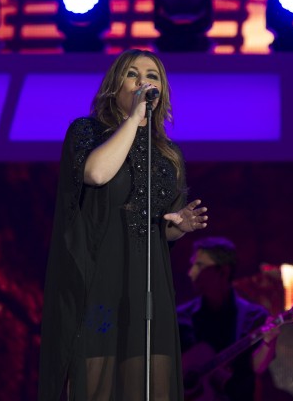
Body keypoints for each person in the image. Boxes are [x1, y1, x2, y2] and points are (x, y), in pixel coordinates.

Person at [38, 49, 209, 401]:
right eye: (132, 74)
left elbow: (160, 226)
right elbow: (97, 173)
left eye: (152, 76)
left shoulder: (168, 155)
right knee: (96, 388)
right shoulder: (87, 131)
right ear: (115, 85)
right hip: (98, 279)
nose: (143, 81)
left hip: (147, 285)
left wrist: (179, 226)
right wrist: (134, 119)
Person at [177, 237, 280, 401]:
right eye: (193, 265)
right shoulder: (181, 317)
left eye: (200, 265)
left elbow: (257, 367)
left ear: (223, 271)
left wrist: (269, 342)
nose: (191, 273)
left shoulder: (254, 316)